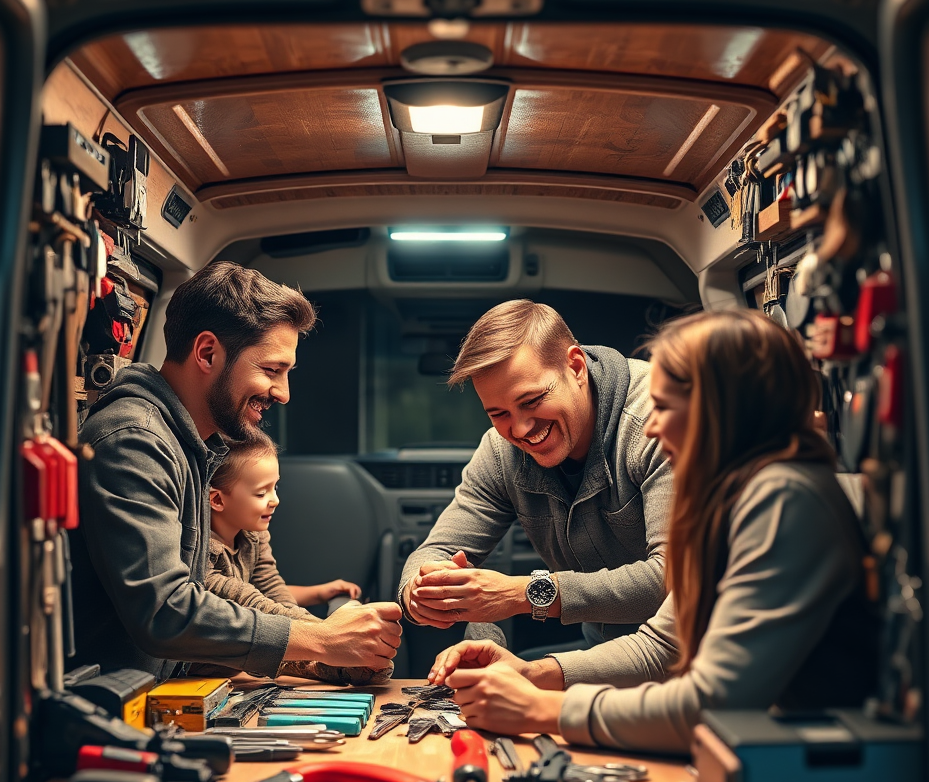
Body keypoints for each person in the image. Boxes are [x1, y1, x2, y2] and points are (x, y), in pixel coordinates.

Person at [428, 310, 877, 753]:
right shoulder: (733, 500)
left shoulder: (784, 503)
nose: (654, 425)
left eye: (664, 407)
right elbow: (659, 648)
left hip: (815, 766)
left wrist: (540, 711)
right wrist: (529, 676)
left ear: (719, 407)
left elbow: (711, 704)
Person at [71, 261, 401, 679]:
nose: (282, 393)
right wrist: (321, 640)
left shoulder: (190, 445)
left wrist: (312, 661)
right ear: (207, 353)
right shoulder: (135, 441)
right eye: (271, 370)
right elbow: (167, 612)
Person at [399, 300, 672, 654]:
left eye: (532, 401)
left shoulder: (661, 421)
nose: (521, 429)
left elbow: (671, 579)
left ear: (575, 367)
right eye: (498, 413)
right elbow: (436, 551)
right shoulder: (501, 451)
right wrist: (423, 593)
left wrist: (521, 594)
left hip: (689, 659)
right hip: (603, 649)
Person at [205, 433, 392, 685]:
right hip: (214, 655)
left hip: (244, 650)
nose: (275, 500)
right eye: (261, 493)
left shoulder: (254, 536)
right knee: (280, 651)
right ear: (217, 499)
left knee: (311, 653)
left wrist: (331, 635)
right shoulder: (203, 551)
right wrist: (327, 632)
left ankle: (350, 667)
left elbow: (272, 589)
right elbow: (249, 600)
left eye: (275, 487)